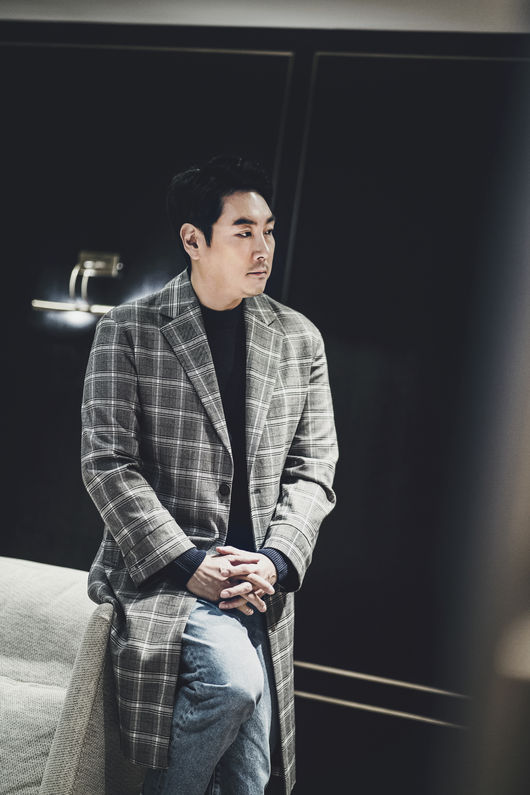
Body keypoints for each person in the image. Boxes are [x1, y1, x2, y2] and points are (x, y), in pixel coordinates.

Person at [81, 154, 338, 794]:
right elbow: (108, 465)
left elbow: (314, 469)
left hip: (257, 586)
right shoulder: (128, 330)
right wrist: (188, 561)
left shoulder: (299, 338)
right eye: (243, 231)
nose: (262, 248)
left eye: (268, 230)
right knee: (233, 684)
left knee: (251, 777)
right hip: (165, 579)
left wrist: (275, 560)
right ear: (193, 240)